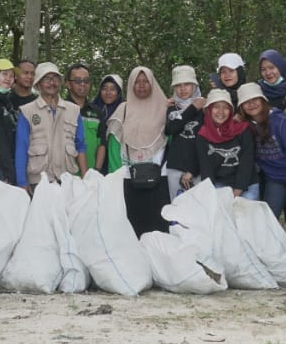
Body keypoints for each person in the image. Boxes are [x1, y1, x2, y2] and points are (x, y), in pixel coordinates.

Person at [104, 67, 172, 237]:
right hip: (129, 179)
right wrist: (116, 176)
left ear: (152, 83)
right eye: (137, 82)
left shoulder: (164, 108)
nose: (141, 86)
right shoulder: (123, 109)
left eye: (146, 81)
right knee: (132, 229)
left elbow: (172, 139)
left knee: (159, 229)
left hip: (159, 178)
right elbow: (114, 142)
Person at [239, 82, 286, 247]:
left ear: (263, 101)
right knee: (269, 219)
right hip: (273, 179)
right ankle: (274, 259)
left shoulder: (279, 121)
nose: (252, 104)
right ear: (241, 106)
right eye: (247, 102)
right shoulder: (245, 126)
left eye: (255, 100)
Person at [15, 62, 89, 190]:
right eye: (47, 79)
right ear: (38, 84)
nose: (52, 83)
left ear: (60, 82)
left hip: (67, 180)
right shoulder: (27, 111)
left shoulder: (73, 110)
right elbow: (21, 147)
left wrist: (85, 178)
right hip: (38, 181)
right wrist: (22, 181)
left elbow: (80, 145)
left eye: (55, 78)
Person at [195, 89, 255, 196]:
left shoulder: (242, 130)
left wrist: (238, 190)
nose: (221, 112)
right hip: (220, 183)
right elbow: (206, 168)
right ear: (209, 109)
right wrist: (209, 193)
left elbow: (247, 161)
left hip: (246, 184)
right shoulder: (203, 135)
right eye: (216, 107)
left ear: (231, 111)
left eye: (226, 108)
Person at [165, 65, 205, 200]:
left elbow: (206, 142)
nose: (183, 89)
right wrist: (192, 108)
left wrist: (193, 170)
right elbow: (170, 129)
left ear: (194, 85)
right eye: (178, 85)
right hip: (175, 166)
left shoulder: (205, 107)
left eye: (187, 84)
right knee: (177, 210)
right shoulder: (171, 107)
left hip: (198, 168)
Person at [66, 63, 103, 175]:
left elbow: (102, 143)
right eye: (77, 81)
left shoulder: (97, 112)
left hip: (91, 175)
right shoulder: (61, 110)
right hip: (66, 175)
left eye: (86, 81)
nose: (82, 84)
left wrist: (96, 171)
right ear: (68, 84)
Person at [91, 73, 123, 173]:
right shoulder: (91, 110)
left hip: (116, 160)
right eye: (104, 88)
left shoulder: (124, 110)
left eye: (113, 89)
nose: (108, 92)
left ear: (118, 92)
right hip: (93, 159)